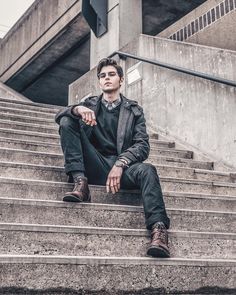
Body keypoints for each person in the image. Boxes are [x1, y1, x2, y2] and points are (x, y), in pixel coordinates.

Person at [55, 58, 170, 258]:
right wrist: (76, 109)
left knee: (148, 170)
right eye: (102, 76)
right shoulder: (89, 104)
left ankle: (159, 232)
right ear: (99, 82)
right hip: (95, 164)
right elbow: (60, 115)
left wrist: (121, 163)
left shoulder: (133, 110)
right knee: (67, 120)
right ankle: (80, 183)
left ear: (121, 80)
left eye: (111, 74)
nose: (106, 78)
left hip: (122, 169)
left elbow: (142, 145)